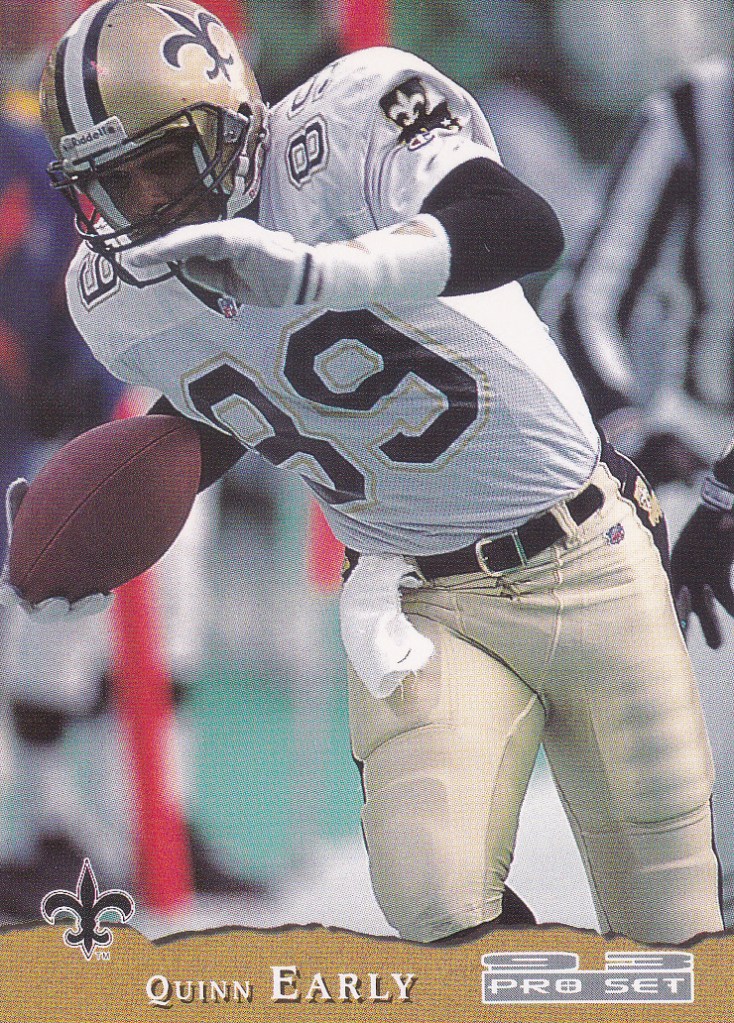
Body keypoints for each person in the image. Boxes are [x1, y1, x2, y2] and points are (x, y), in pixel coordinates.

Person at [7, 0, 724, 945]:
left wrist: (323, 273)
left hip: (588, 541)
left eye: (164, 161)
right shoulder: (115, 296)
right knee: (432, 896)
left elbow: (520, 225)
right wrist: (85, 521)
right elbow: (237, 402)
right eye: (115, 180)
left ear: (231, 120)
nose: (146, 202)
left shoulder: (346, 121)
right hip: (418, 595)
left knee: (673, 926)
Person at [543, 57, 734, 926]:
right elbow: (586, 299)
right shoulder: (699, 111)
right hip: (702, 454)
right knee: (702, 816)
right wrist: (630, 433)